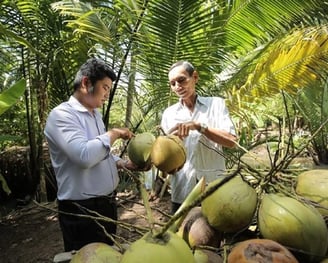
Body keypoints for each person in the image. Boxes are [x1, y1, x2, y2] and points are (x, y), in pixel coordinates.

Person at [44, 58, 137, 251]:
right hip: (82, 210)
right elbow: (84, 156)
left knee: (107, 254)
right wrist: (113, 134)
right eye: (105, 87)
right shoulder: (61, 115)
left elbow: (100, 153)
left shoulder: (95, 116)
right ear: (86, 83)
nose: (106, 95)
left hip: (107, 204)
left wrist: (122, 163)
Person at [161, 61, 237, 214]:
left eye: (181, 80)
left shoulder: (216, 105)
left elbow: (232, 141)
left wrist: (199, 127)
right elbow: (165, 163)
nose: (177, 86)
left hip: (214, 189)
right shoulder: (169, 114)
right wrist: (171, 151)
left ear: (195, 77)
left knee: (214, 234)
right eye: (173, 83)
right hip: (182, 189)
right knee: (180, 234)